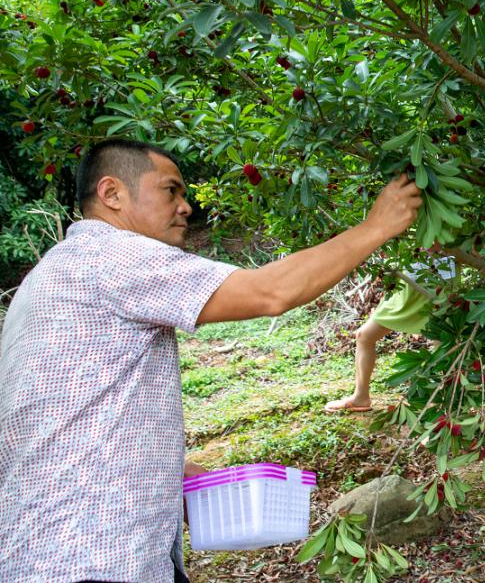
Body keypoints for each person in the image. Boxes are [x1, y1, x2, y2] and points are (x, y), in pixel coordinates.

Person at [0, 139, 421, 583]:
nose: (185, 207)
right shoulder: (110, 254)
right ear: (112, 194)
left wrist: (170, 471)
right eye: (170, 191)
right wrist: (376, 227)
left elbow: (58, 408)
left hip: (44, 551)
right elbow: (268, 292)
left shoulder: (47, 278)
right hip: (93, 558)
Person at [324, 257, 455, 414]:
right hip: (407, 287)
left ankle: (447, 411)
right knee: (364, 335)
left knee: (443, 349)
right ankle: (361, 396)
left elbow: (471, 252)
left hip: (438, 288)